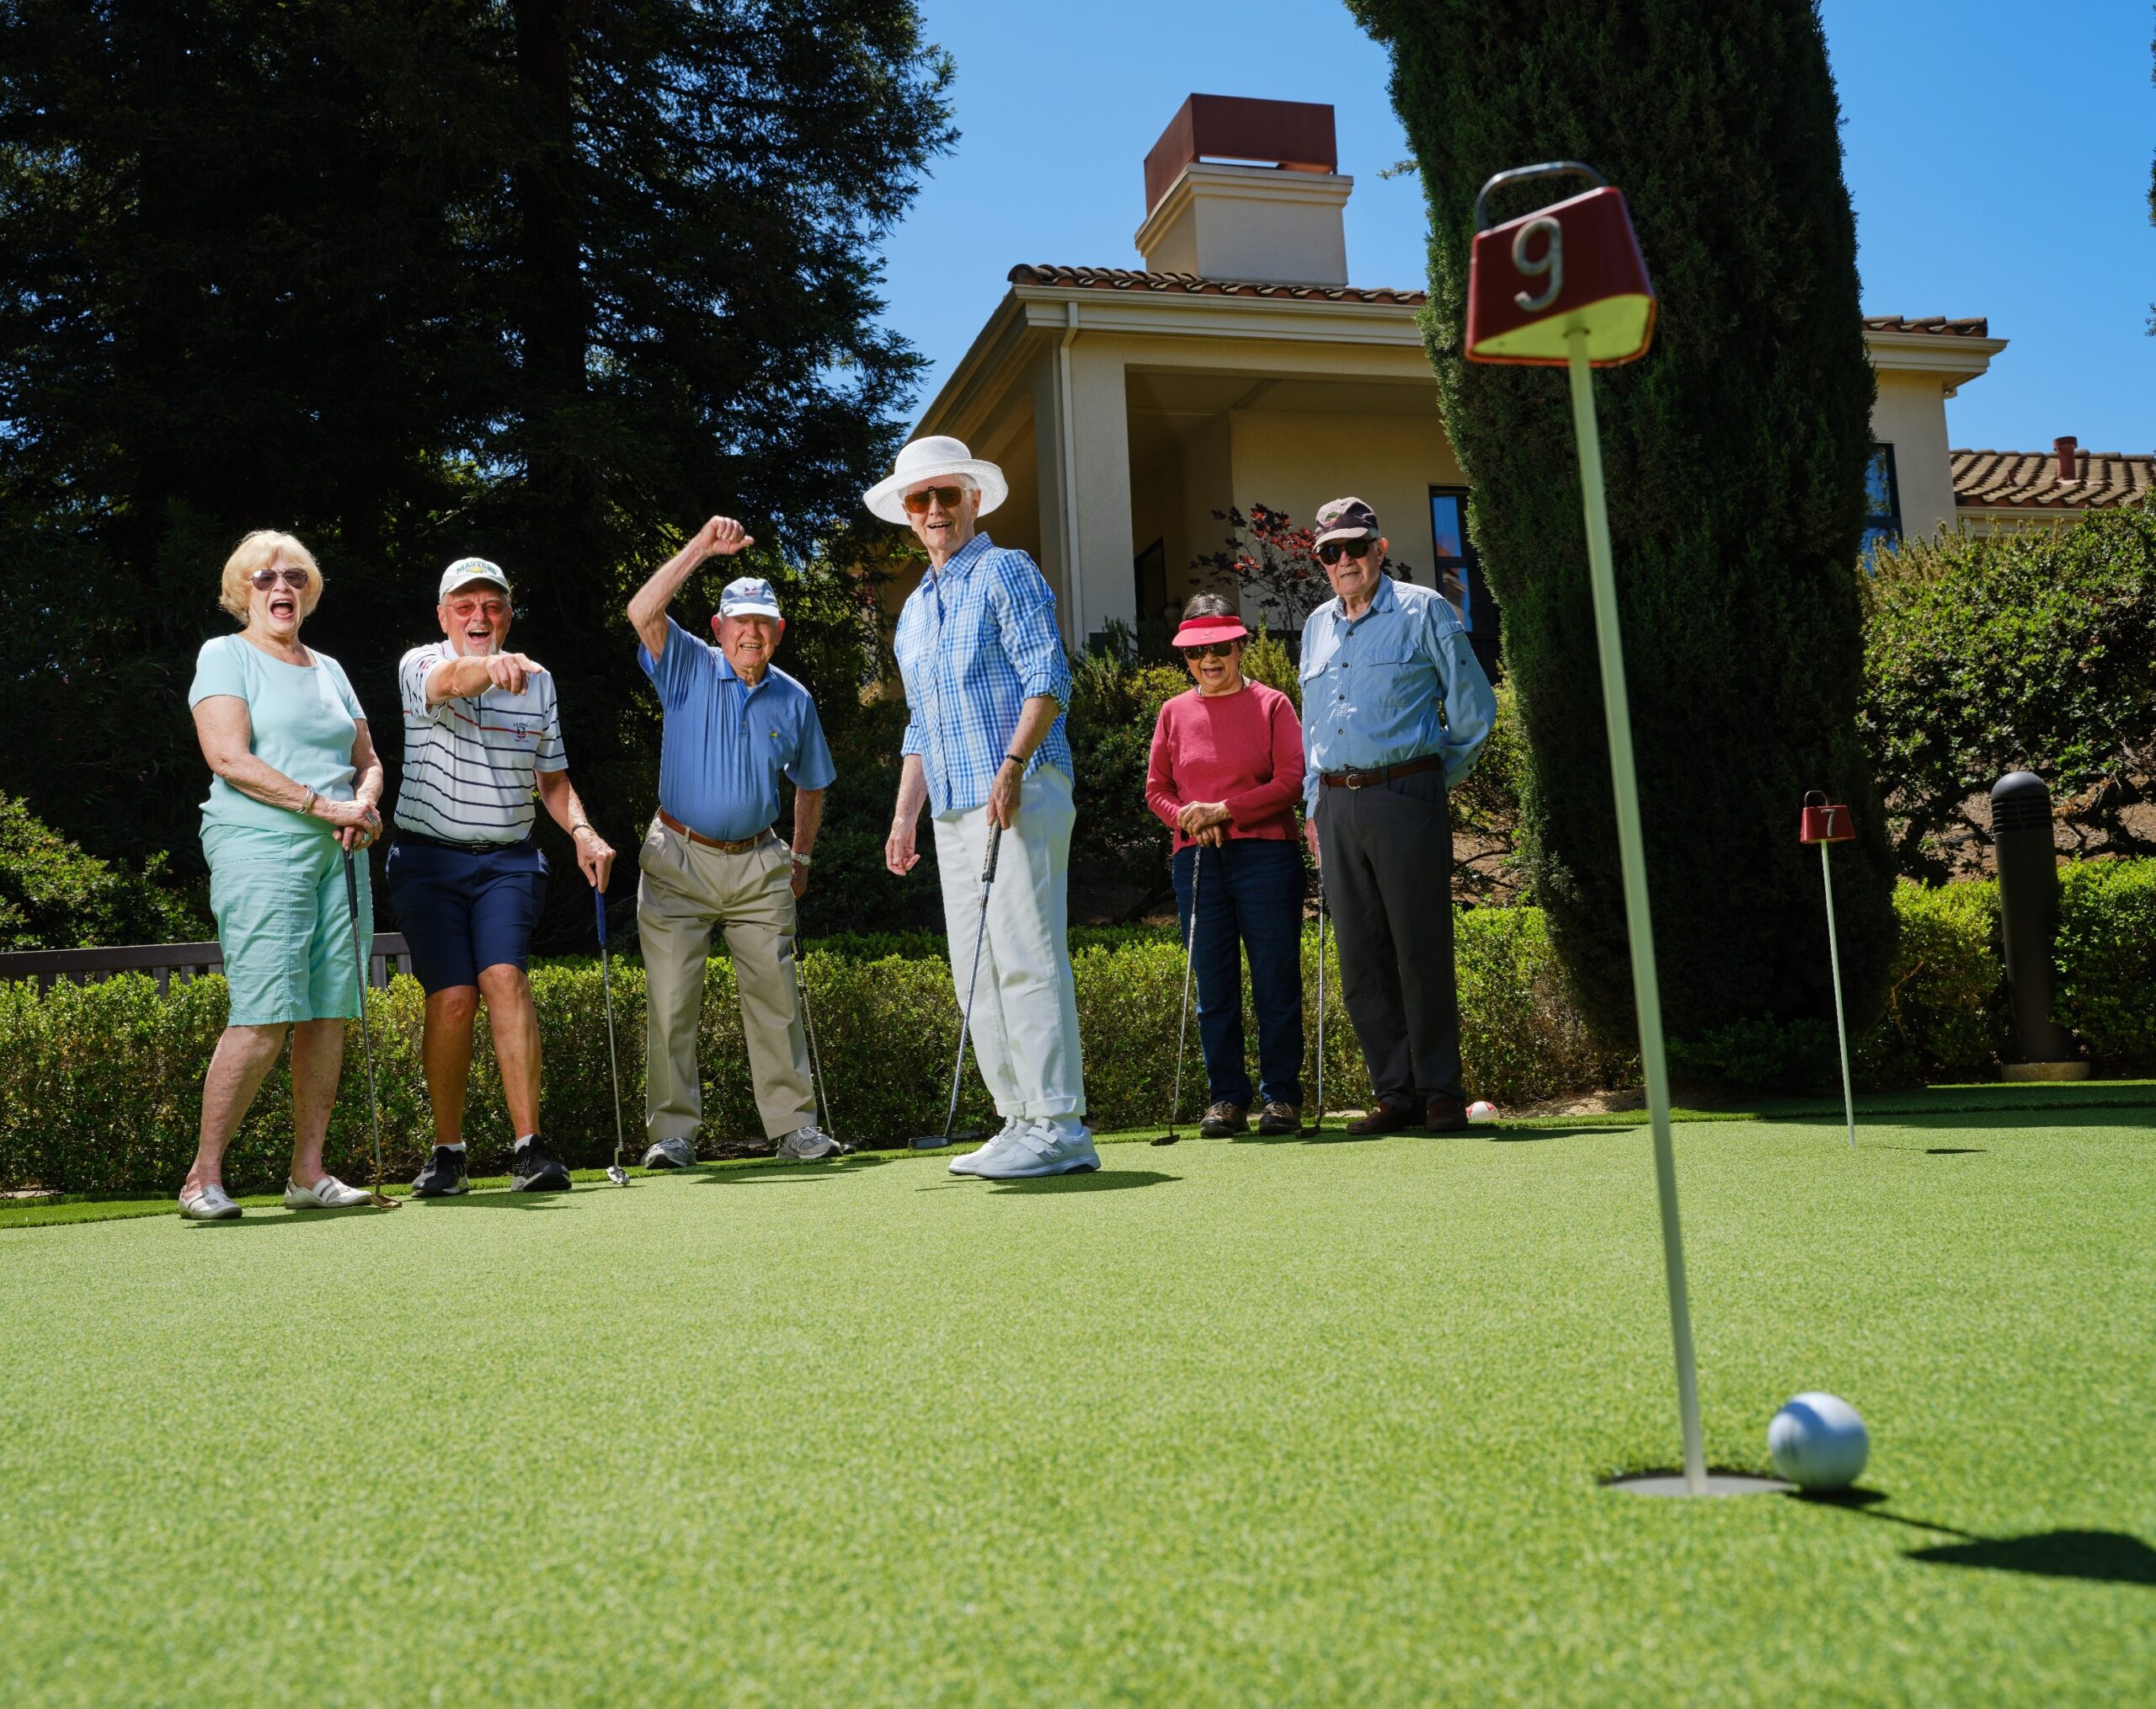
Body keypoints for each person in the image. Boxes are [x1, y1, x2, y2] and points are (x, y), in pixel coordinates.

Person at [868, 435, 1097, 1180]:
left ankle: (1061, 1124)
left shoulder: (1005, 569)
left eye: (947, 495)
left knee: (1027, 957)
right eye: (920, 499)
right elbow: (920, 727)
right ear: (907, 515)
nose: (935, 509)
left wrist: (1013, 764)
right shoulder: (912, 613)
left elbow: (1049, 676)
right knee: (975, 965)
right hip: (953, 807)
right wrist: (905, 815)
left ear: (972, 500)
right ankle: (1019, 1118)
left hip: (1019, 790)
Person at [386, 557, 616, 1195]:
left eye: (492, 605)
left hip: (509, 857)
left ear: (509, 615)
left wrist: (583, 831)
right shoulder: (420, 663)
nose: (479, 616)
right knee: (454, 997)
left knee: (505, 977)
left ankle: (529, 1147)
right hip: (428, 858)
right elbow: (451, 681)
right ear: (443, 616)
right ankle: (448, 1151)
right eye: (465, 605)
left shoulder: (537, 683)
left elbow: (553, 779)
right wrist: (491, 669)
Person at [179, 530, 387, 1220]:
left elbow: (369, 757)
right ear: (244, 590)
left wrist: (364, 804)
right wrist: (324, 804)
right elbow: (228, 757)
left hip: (341, 852)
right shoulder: (225, 654)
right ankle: (202, 1177)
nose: (281, 587)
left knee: (330, 1012)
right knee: (266, 1011)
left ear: (309, 590)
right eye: (265, 577)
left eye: (294, 576)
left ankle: (308, 1174)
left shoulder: (328, 667)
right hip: (261, 846)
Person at [626, 520, 840, 1167]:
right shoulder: (686, 660)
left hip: (758, 862)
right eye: (740, 622)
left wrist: (799, 858)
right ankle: (672, 1135)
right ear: (718, 629)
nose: (752, 632)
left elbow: (812, 784)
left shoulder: (793, 698)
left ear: (778, 633)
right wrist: (700, 548)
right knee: (669, 1000)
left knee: (775, 1000)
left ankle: (795, 1128)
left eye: (764, 623)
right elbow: (641, 609)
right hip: (677, 858)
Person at [1299, 498, 1497, 1134]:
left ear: (1379, 549)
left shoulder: (1423, 609)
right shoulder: (1315, 627)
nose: (1345, 561)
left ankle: (1440, 1089)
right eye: (1331, 552)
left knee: (1420, 949)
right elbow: (1311, 729)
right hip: (1335, 803)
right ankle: (1396, 1094)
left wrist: (1434, 779)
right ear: (1322, 562)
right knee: (1361, 958)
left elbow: (1473, 709)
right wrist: (1312, 805)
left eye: (1356, 547)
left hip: (1405, 795)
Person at [1145, 592, 1307, 1137]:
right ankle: (1226, 1098)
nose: (1208, 660)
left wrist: (1225, 810)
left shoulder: (1273, 704)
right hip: (1197, 860)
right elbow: (1157, 790)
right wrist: (1192, 818)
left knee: (1274, 978)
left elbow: (1290, 780)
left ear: (1239, 646)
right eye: (1196, 652)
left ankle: (1281, 1097)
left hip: (1267, 854)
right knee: (1214, 985)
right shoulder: (1173, 712)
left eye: (1218, 647)